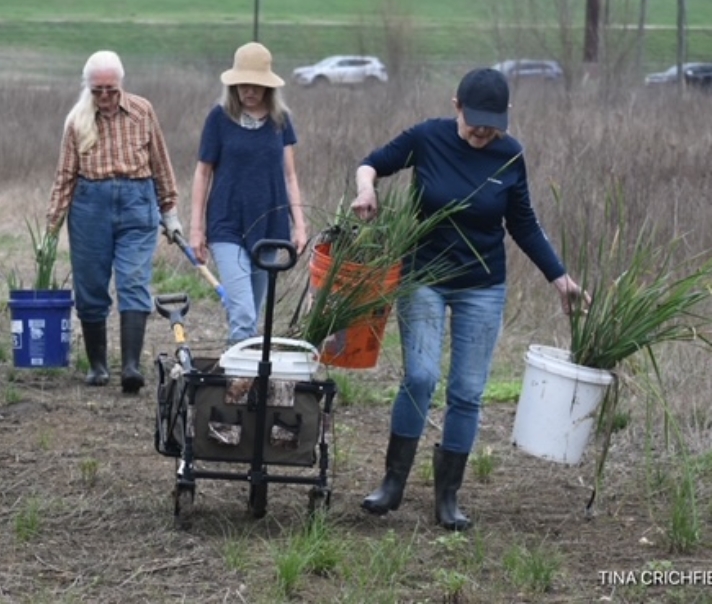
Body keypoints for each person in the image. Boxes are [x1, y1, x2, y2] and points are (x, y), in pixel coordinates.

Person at [352, 67, 587, 531]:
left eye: (492, 124)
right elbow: (371, 163)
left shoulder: (510, 155)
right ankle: (392, 483)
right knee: (420, 377)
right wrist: (366, 189)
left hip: (483, 285)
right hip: (424, 276)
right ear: (456, 106)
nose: (482, 132)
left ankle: (448, 498)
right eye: (474, 120)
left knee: (467, 392)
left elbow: (522, 223)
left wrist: (560, 278)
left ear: (506, 116)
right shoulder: (428, 137)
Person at [46, 50, 181, 393]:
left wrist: (170, 211)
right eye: (97, 90)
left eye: (110, 89)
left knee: (134, 281)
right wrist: (51, 226)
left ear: (121, 84)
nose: (104, 97)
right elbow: (65, 176)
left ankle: (132, 367)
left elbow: (160, 161)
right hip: (90, 206)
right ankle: (98, 366)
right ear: (87, 88)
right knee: (90, 286)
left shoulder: (142, 111)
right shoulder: (76, 121)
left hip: (138, 203)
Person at [188, 42, 308, 344]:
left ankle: (240, 380)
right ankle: (238, 386)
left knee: (250, 314)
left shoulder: (281, 121)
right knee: (243, 313)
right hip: (226, 224)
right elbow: (203, 173)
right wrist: (196, 228)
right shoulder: (219, 119)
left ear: (267, 87)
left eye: (255, 85)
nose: (248, 91)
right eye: (242, 84)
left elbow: (290, 176)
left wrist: (300, 225)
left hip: (268, 226)